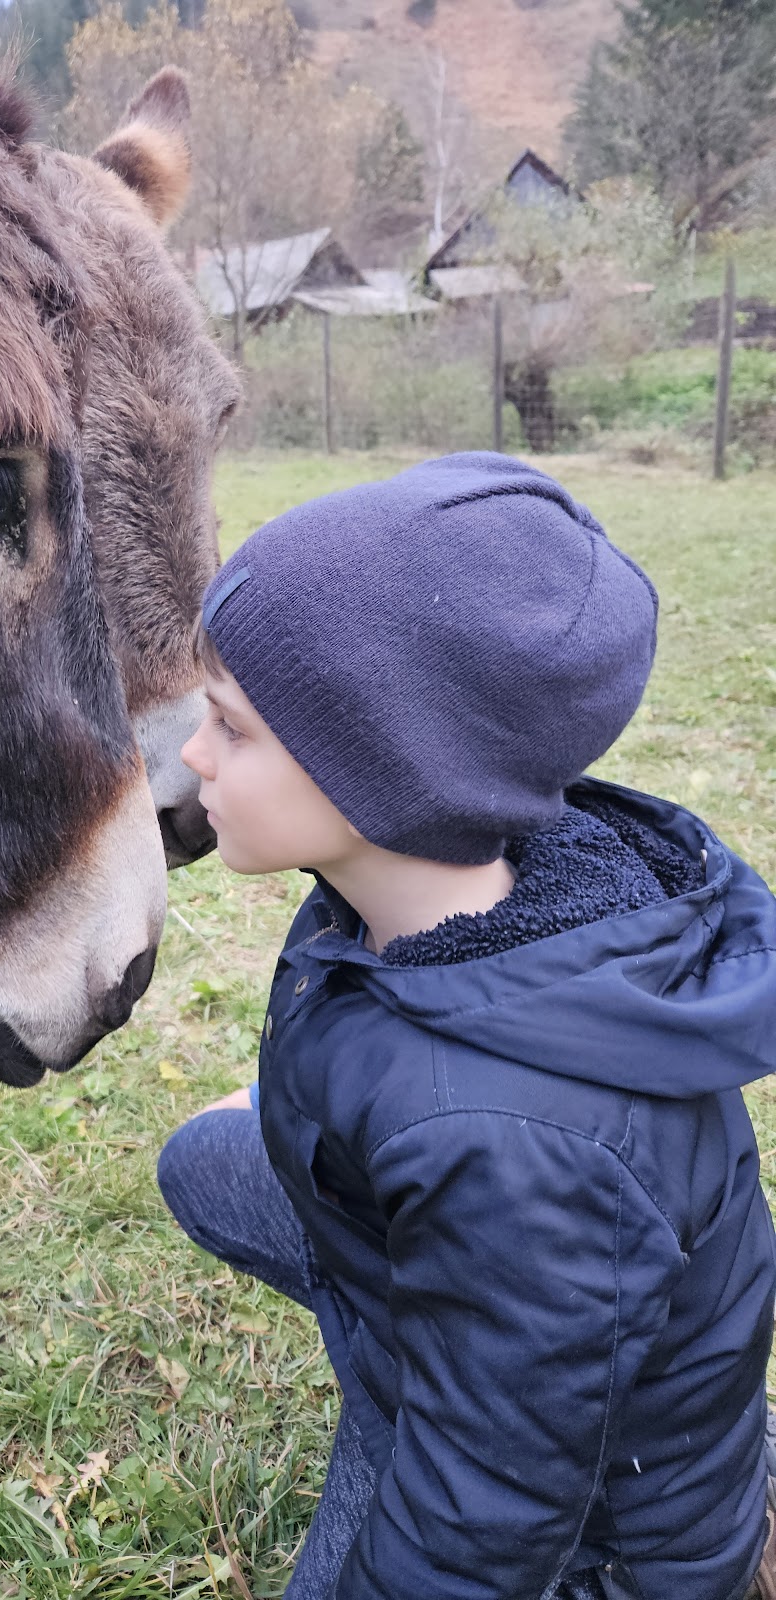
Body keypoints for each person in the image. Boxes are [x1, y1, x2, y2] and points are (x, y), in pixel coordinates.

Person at [157, 453, 776, 1600]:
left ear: (386, 769)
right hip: (476, 1297)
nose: (193, 755)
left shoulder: (514, 1151)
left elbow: (483, 1523)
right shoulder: (396, 886)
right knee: (198, 1160)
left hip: (593, 1533)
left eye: (231, 727)